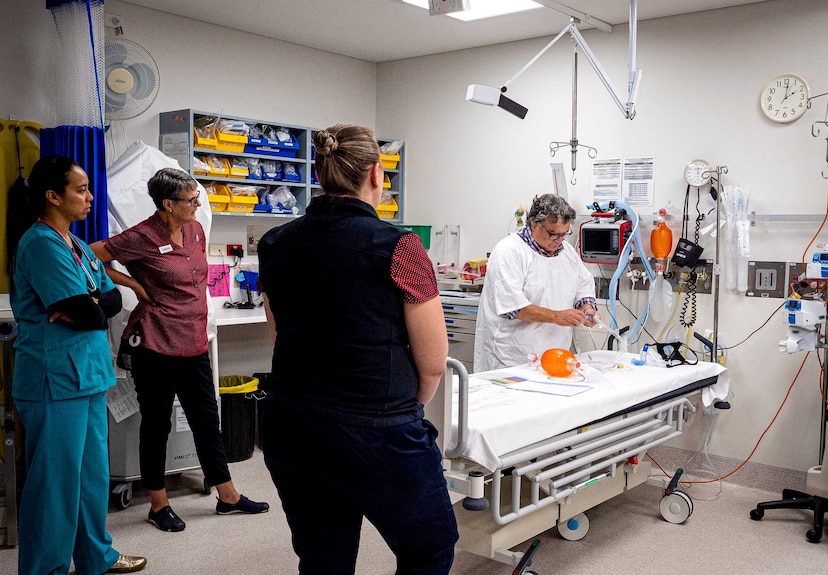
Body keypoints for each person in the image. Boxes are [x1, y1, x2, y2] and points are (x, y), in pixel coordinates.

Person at [257, 124, 459, 574]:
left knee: (323, 557)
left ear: (321, 174)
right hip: (376, 429)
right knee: (429, 548)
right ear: (376, 174)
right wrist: (400, 412)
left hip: (292, 425)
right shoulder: (401, 247)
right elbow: (432, 364)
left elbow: (280, 333)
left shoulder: (275, 244)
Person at [89, 168, 269, 532]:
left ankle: (228, 495)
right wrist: (135, 286)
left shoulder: (195, 229)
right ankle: (158, 504)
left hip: (194, 340)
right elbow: (93, 256)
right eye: (191, 200)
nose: (197, 204)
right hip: (156, 342)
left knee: (207, 418)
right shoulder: (141, 235)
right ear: (167, 204)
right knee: (156, 424)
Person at [9, 156, 146, 574]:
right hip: (54, 381)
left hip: (87, 376)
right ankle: (45, 568)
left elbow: (111, 300)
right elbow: (88, 313)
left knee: (90, 479)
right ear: (53, 196)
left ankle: (95, 558)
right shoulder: (40, 244)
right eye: (81, 189)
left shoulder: (79, 246)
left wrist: (93, 304)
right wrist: (92, 306)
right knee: (55, 485)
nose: (89, 197)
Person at [474, 193, 599, 372]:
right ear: (534, 223)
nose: (559, 240)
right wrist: (557, 316)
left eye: (564, 234)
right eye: (553, 234)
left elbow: (583, 285)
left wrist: (587, 308)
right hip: (511, 360)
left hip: (555, 358)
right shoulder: (509, 251)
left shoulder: (567, 253)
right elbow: (513, 307)